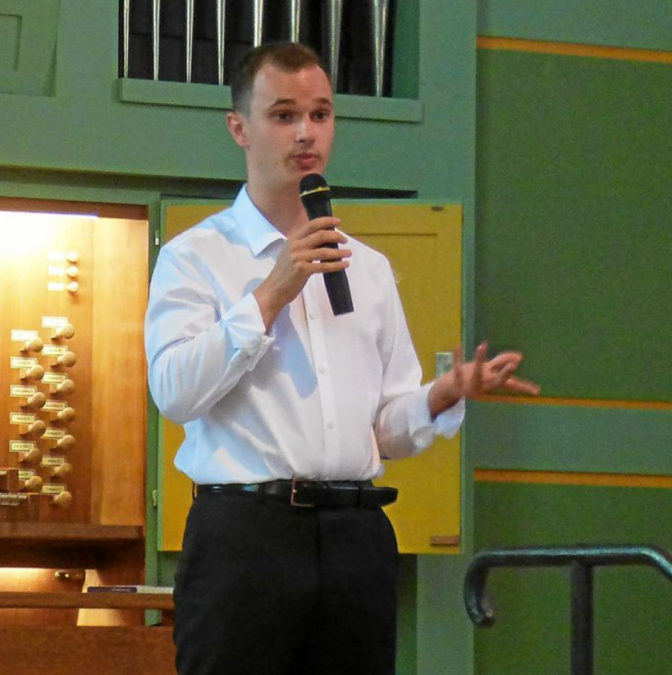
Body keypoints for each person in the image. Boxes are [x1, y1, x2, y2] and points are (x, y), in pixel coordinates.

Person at [144, 42, 539, 675]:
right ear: (238, 127)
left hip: (356, 535)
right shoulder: (196, 257)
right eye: (283, 115)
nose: (307, 133)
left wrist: (441, 395)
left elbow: (386, 428)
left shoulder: (371, 270)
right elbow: (174, 392)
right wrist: (272, 291)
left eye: (321, 114)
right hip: (245, 537)